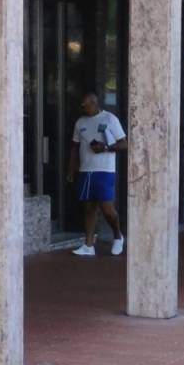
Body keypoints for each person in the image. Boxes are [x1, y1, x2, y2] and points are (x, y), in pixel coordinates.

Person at [68, 92, 126, 257]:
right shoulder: (80, 122)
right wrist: (70, 168)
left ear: (94, 103)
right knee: (89, 208)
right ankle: (88, 244)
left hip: (105, 170)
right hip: (86, 170)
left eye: (84, 104)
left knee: (107, 208)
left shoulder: (110, 119)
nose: (82, 107)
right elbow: (74, 146)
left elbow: (124, 144)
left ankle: (117, 235)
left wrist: (105, 148)